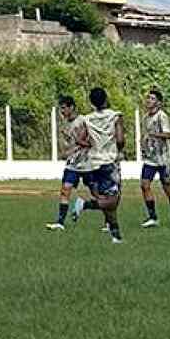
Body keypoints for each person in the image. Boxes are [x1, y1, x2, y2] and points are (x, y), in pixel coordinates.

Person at [77, 86, 126, 244]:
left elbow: (79, 139)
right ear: (106, 99)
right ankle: (84, 204)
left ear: (92, 103)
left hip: (93, 162)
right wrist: (117, 149)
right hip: (109, 161)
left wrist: (92, 146)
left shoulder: (87, 119)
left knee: (108, 200)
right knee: (113, 200)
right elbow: (119, 140)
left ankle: (116, 236)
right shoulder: (115, 116)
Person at [139, 88, 170, 229]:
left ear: (158, 102)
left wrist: (155, 135)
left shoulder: (161, 116)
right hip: (151, 158)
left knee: (167, 186)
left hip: (163, 158)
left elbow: (168, 135)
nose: (148, 101)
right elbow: (147, 135)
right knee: (145, 184)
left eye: (152, 98)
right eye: (148, 98)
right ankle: (152, 217)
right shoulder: (145, 117)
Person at [47, 94, 88, 230]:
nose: (62, 111)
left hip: (87, 163)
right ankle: (60, 222)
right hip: (73, 164)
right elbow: (69, 143)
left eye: (64, 108)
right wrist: (67, 153)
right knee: (65, 190)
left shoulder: (83, 121)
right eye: (61, 109)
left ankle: (108, 221)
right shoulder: (65, 125)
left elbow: (91, 140)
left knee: (97, 192)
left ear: (72, 107)